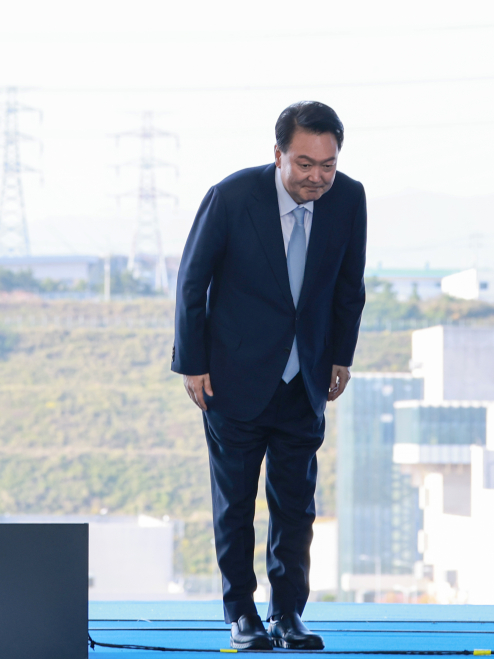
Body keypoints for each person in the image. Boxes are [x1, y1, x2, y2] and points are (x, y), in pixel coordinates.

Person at [171, 101, 366, 650]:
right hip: (231, 377)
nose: (317, 177)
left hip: (305, 379)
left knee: (296, 506)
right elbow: (192, 281)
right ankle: (241, 613)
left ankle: (288, 613)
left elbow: (350, 285)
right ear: (278, 154)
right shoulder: (232, 197)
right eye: (305, 163)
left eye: (327, 165)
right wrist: (192, 361)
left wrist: (340, 355)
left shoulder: (349, 198)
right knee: (235, 503)